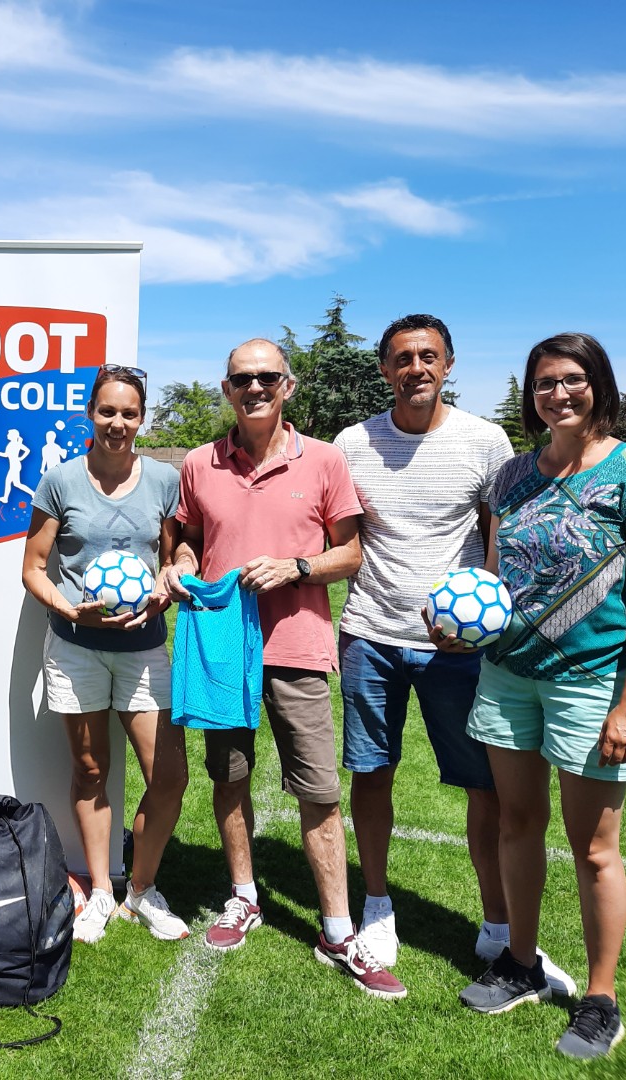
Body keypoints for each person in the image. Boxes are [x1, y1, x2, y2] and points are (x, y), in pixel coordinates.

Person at [332, 315, 578, 995]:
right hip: (370, 636)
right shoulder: (352, 442)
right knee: (371, 774)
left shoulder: (484, 440)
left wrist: (480, 616)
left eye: (428, 356)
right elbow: (343, 536)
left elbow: (499, 535)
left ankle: (497, 925)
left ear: (447, 365)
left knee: (485, 787)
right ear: (385, 369)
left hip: (461, 649)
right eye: (402, 358)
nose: (415, 368)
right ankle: (376, 905)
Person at [455, 333, 626, 1060]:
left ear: (599, 384)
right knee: (517, 823)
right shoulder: (512, 477)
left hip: (592, 686)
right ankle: (521, 963)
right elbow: (496, 579)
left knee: (594, 849)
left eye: (573, 379)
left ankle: (600, 998)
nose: (559, 394)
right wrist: (461, 622)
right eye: (545, 383)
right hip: (507, 678)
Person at [161, 338, 404, 998]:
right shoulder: (199, 463)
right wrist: (180, 565)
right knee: (230, 776)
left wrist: (296, 567)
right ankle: (243, 897)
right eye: (243, 378)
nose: (255, 387)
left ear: (287, 386)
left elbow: (350, 554)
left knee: (319, 790)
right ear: (227, 388)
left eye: (268, 377)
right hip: (220, 647)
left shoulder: (323, 460)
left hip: (296, 646)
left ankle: (337, 930)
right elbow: (187, 539)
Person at [21, 365, 189, 943]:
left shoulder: (164, 480)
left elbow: (174, 555)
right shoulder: (61, 481)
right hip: (76, 648)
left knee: (168, 776)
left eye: (129, 413)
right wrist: (70, 611)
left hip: (144, 648)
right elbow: (33, 569)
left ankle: (140, 890)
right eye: (107, 411)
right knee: (91, 769)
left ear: (142, 418)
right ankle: (99, 891)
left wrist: (167, 584)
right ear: (90, 414)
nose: (118, 423)